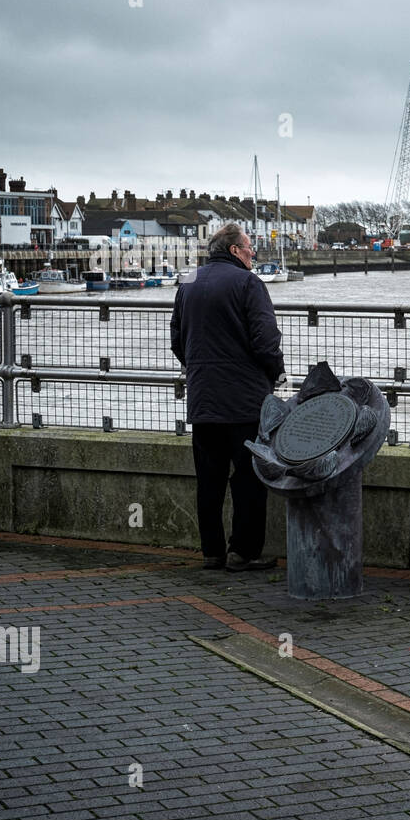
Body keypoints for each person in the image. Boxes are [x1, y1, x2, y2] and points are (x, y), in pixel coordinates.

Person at [170, 224, 285, 571]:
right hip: (245, 400)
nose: (254, 254)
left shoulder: (189, 281)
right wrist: (274, 373)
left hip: (204, 398)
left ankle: (212, 552)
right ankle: (243, 552)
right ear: (235, 250)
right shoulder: (249, 283)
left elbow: (177, 339)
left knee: (209, 479)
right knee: (249, 478)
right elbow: (266, 340)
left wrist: (200, 369)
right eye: (250, 248)